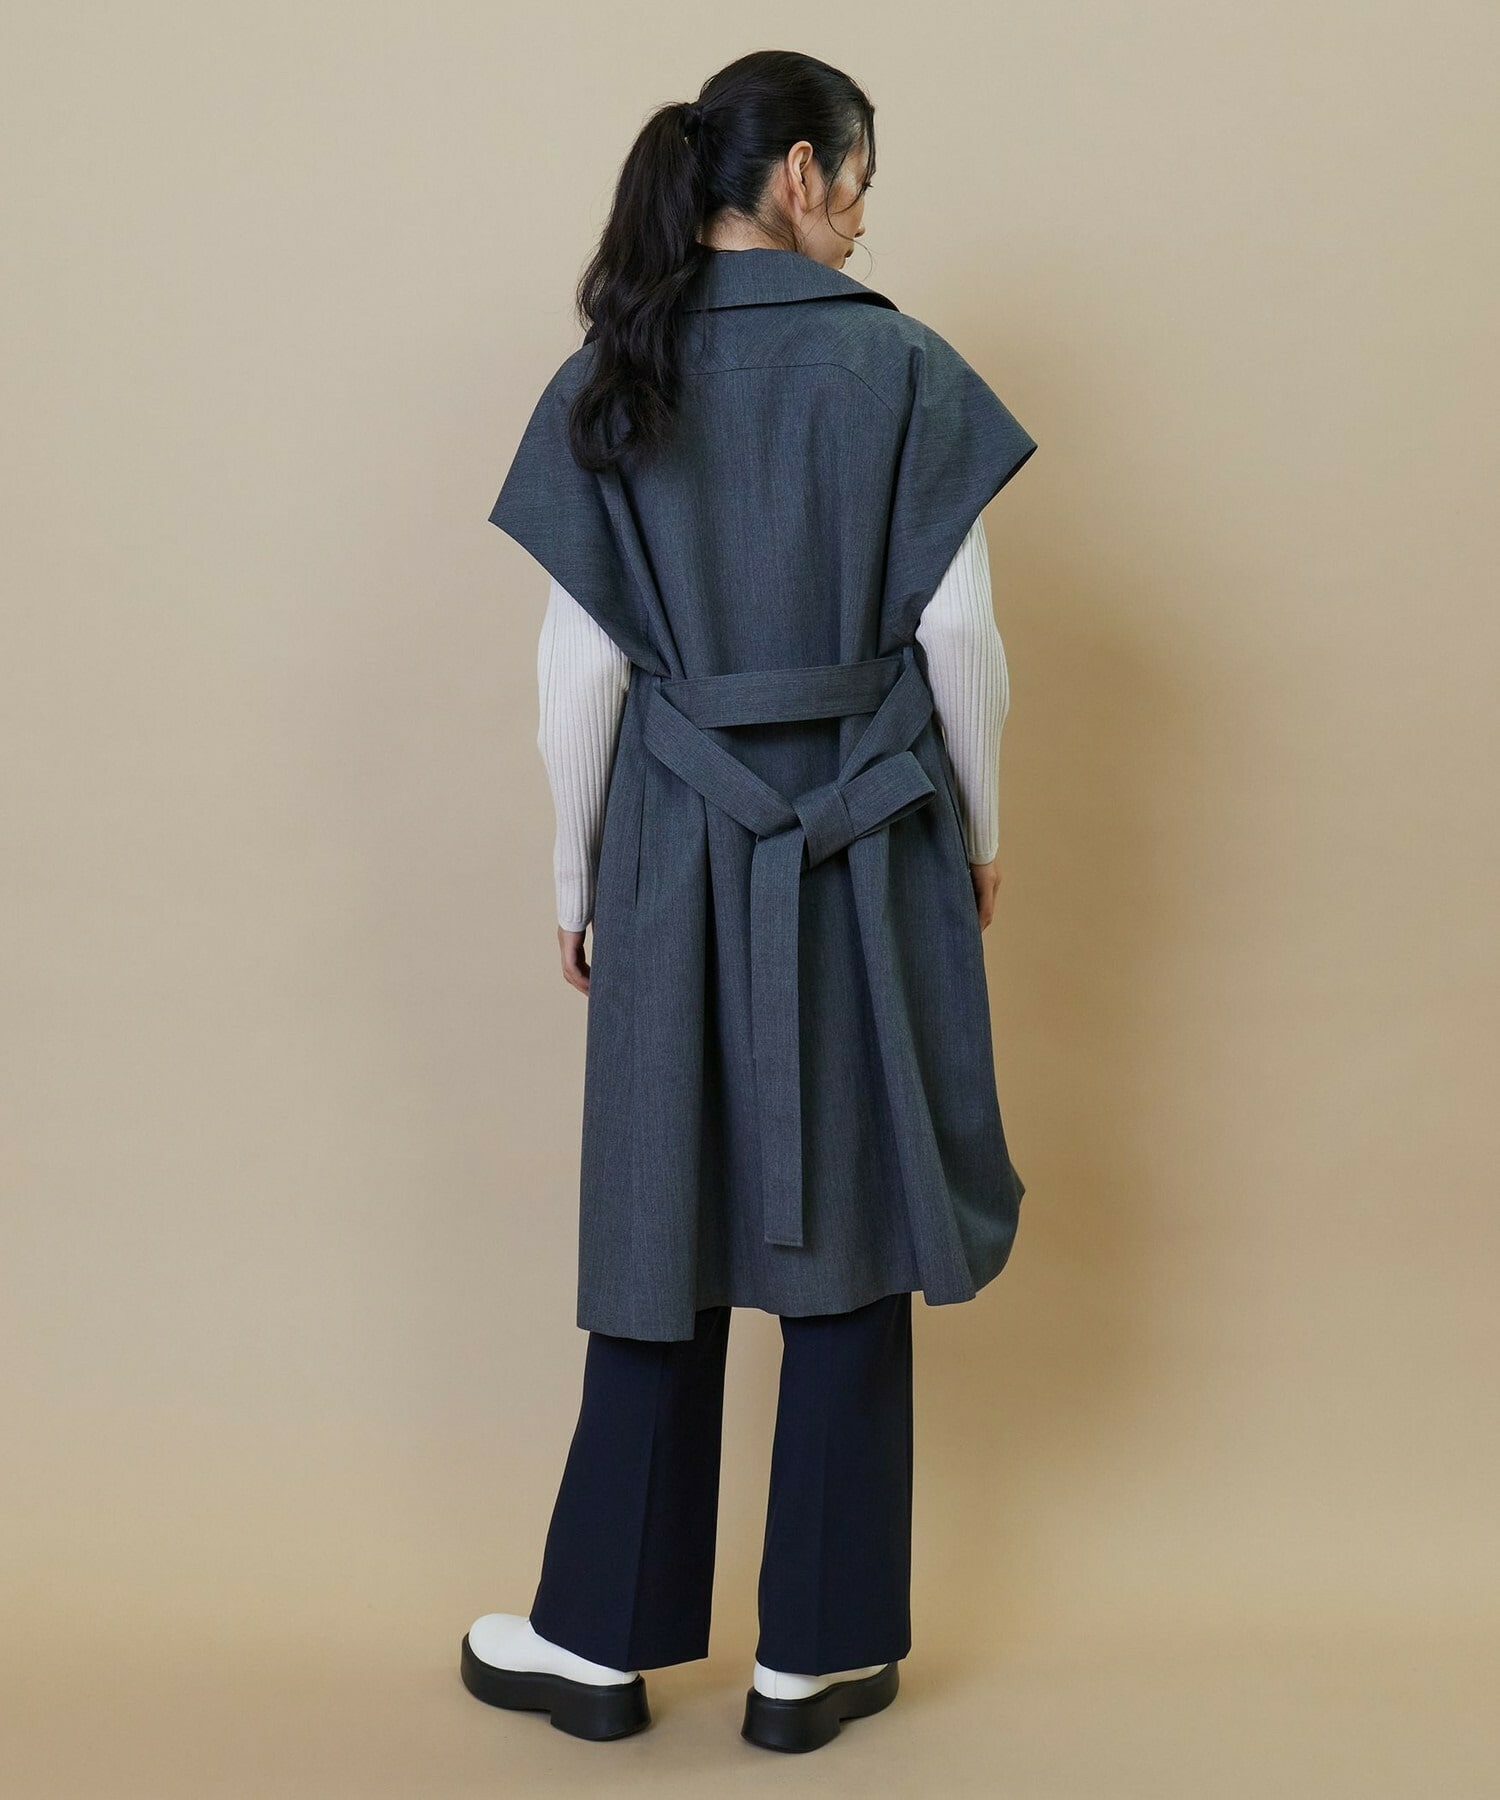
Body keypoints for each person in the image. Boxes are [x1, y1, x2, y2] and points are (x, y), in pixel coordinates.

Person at [462, 49, 1038, 1754]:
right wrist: (979, 830)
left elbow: (580, 670)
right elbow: (960, 638)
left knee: (660, 1222)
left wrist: (578, 870)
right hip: (870, 832)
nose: (861, 220)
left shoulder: (615, 365)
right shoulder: (905, 367)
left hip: (676, 839)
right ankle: (817, 1655)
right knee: (854, 1209)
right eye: (857, 185)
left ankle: (599, 1642)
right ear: (797, 172)